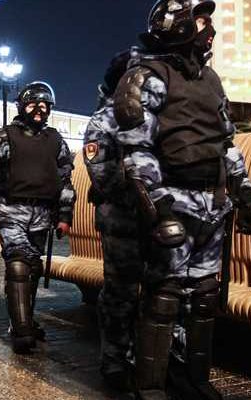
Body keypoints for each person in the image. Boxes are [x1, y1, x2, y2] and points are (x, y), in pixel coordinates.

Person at [114, 1, 251, 398]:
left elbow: (227, 145)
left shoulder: (212, 80)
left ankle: (195, 379)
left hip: (212, 204)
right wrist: (158, 210)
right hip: (173, 199)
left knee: (203, 297)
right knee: (164, 294)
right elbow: (136, 152)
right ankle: (149, 386)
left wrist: (246, 194)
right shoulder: (146, 77)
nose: (209, 28)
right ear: (176, 26)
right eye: (201, 20)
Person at [0, 82, 76, 354]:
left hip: (42, 214)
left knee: (32, 269)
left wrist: (64, 215)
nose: (39, 110)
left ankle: (24, 320)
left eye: (44, 105)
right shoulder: (2, 137)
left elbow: (65, 181)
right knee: (17, 264)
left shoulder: (56, 140)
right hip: (9, 210)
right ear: (21, 106)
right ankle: (22, 332)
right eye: (33, 104)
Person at [83, 49, 148, 393]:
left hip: (157, 219)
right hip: (122, 217)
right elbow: (103, 176)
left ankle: (153, 362)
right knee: (120, 294)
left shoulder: (153, 114)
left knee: (159, 291)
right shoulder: (105, 119)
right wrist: (144, 193)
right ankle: (114, 362)